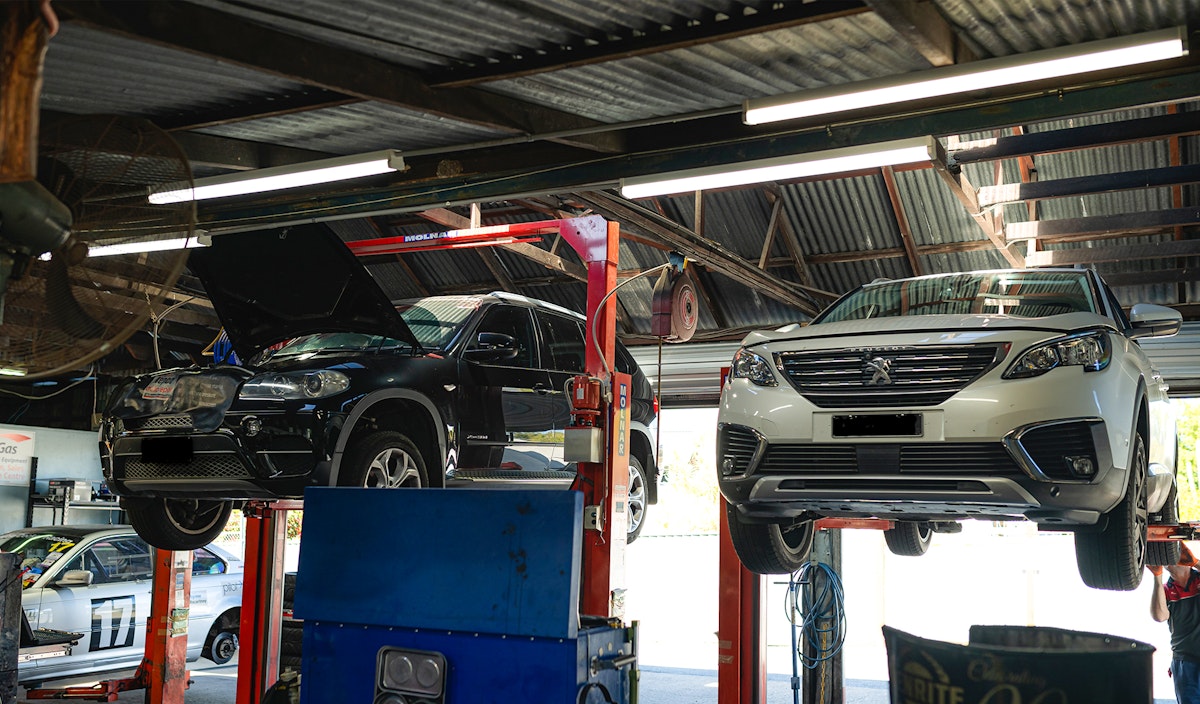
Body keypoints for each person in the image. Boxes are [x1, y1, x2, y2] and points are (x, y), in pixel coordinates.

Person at [1151, 543, 1200, 704]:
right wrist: (1157, 578)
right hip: (1184, 661)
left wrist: (1195, 562)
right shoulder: (1166, 589)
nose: (1167, 562)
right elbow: (1159, 615)